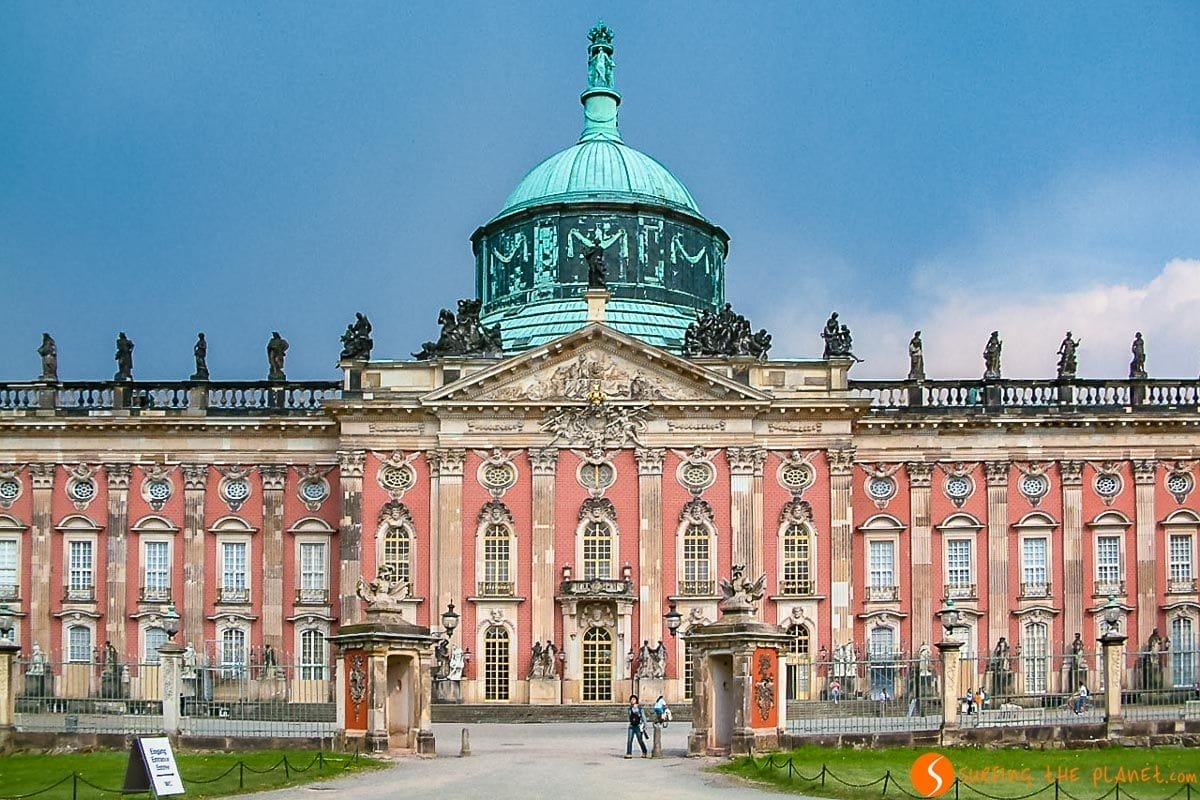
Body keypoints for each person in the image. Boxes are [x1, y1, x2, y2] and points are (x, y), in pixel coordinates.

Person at [625, 694, 648, 759]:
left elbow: (643, 717)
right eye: (631, 699)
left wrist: (645, 725)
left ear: (636, 700)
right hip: (631, 726)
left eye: (634, 699)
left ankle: (644, 751)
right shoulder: (630, 709)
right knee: (629, 740)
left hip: (639, 726)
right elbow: (630, 717)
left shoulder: (640, 709)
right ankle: (629, 753)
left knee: (640, 740)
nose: (632, 701)